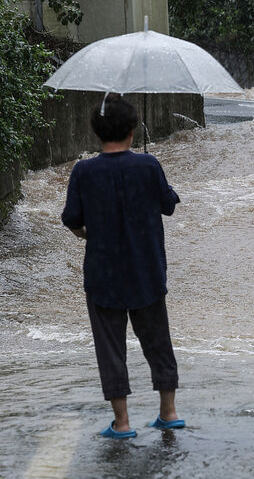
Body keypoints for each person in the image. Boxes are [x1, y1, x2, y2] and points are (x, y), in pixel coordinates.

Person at [61, 94, 185, 439]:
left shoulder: (84, 171)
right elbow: (168, 205)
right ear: (132, 130)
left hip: (103, 275)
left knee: (110, 347)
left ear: (96, 132)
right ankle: (169, 411)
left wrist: (88, 234)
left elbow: (72, 219)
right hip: (147, 271)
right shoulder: (148, 165)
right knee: (158, 340)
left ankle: (123, 422)